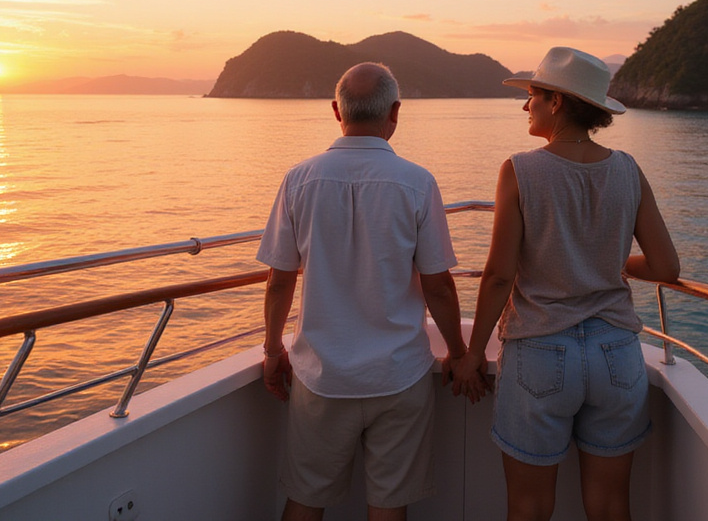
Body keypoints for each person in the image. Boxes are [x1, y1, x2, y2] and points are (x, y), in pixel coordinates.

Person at [449, 47, 681, 521]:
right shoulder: (628, 170)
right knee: (612, 505)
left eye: (532, 95)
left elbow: (499, 275)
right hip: (616, 352)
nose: (525, 105)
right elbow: (665, 268)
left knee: (530, 507)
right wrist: (613, 264)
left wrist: (474, 355)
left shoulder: (521, 169)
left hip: (540, 351)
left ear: (556, 102)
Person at [259, 62, 468, 521]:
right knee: (389, 507)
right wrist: (457, 350)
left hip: (321, 376)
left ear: (337, 110)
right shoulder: (417, 182)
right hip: (399, 375)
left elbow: (279, 281)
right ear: (395, 112)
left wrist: (274, 350)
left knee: (305, 500)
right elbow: (439, 286)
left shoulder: (299, 179)